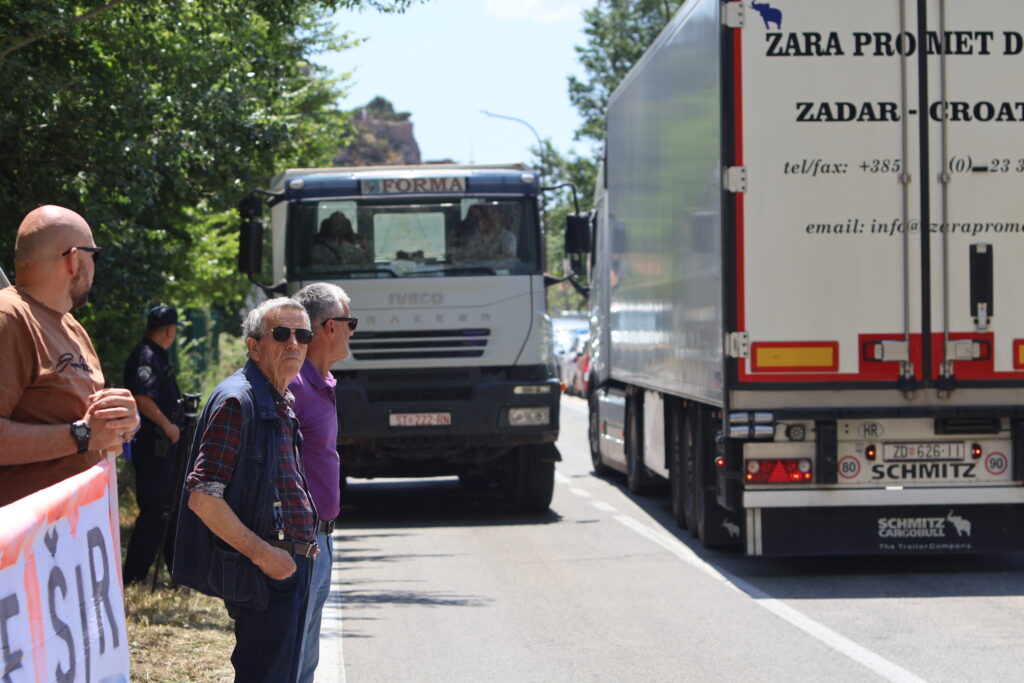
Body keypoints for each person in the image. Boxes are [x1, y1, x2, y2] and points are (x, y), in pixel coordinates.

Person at [172, 297, 318, 683]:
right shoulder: (239, 401)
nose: (294, 343)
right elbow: (203, 497)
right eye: (281, 334)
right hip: (266, 573)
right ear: (254, 346)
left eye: (302, 335)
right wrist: (268, 558)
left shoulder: (276, 398)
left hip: (287, 567)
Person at [0, 205, 139, 507]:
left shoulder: (72, 326)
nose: (95, 267)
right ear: (74, 260)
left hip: (75, 528)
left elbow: (96, 435)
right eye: (94, 256)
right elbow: (85, 434)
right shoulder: (8, 317)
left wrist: (122, 423)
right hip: (27, 532)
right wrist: (82, 436)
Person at [289, 283, 355, 683]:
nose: (353, 331)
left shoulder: (322, 381)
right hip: (300, 539)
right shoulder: (295, 385)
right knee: (293, 656)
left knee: (307, 656)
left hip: (322, 536)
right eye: (351, 322)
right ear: (330, 327)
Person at [122, 303, 185, 584]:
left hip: (162, 448)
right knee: (155, 510)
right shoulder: (147, 356)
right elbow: (141, 397)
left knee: (167, 508)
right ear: (170, 331)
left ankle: (177, 572)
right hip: (153, 447)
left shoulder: (154, 354)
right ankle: (134, 576)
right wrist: (168, 425)